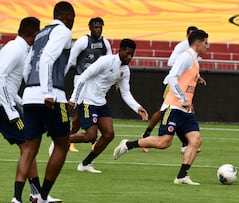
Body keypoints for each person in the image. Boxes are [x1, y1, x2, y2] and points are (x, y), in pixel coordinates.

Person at [113, 29, 209, 185]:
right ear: (197, 43)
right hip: (173, 107)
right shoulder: (186, 57)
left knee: (196, 140)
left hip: (185, 110)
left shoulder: (195, 59)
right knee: (164, 143)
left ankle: (181, 176)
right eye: (206, 43)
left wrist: (197, 78)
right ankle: (128, 145)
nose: (207, 46)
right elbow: (172, 77)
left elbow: (185, 76)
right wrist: (183, 98)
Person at [15, 1, 75, 203]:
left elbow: (27, 66)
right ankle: (42, 195)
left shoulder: (40, 33)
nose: (72, 23)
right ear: (67, 17)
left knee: (30, 147)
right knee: (62, 143)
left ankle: (17, 197)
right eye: (73, 19)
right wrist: (47, 91)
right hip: (53, 96)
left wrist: (32, 89)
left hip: (30, 94)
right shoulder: (63, 31)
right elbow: (48, 58)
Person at [67, 38, 149, 173]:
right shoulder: (106, 61)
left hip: (101, 103)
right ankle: (61, 139)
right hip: (88, 101)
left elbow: (126, 93)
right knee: (90, 136)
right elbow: (84, 76)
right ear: (120, 50)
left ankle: (85, 164)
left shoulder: (125, 71)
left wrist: (137, 108)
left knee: (109, 134)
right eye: (127, 53)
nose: (129, 57)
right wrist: (73, 98)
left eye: (132, 55)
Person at [141, 26, 204, 153]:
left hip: (186, 84)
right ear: (187, 36)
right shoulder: (183, 48)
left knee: (188, 109)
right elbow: (171, 62)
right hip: (174, 83)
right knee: (163, 111)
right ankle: (146, 135)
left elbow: (190, 69)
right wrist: (181, 66)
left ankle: (186, 143)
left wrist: (196, 76)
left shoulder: (196, 52)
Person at [65, 17, 112, 152]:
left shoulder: (105, 44)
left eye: (100, 27)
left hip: (96, 83)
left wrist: (113, 80)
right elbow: (70, 60)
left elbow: (111, 62)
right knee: (79, 112)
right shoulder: (83, 41)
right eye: (96, 27)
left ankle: (88, 139)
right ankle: (70, 139)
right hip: (82, 80)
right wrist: (61, 76)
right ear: (90, 28)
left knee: (89, 110)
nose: (98, 29)